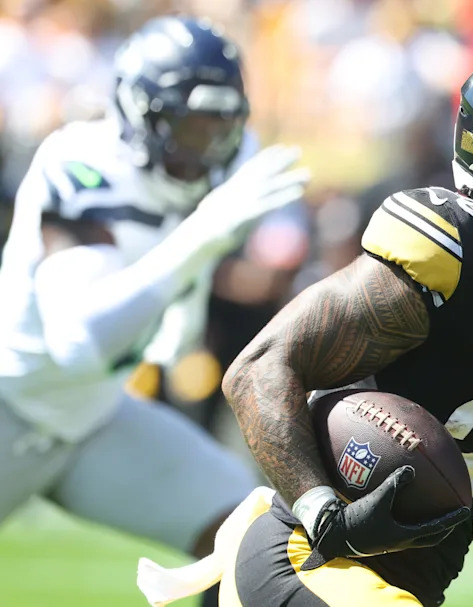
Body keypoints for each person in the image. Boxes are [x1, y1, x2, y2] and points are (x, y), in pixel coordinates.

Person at [140, 38, 473, 607]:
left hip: (406, 585)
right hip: (306, 555)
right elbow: (259, 368)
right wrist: (321, 510)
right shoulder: (454, 256)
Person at [0, 14, 308, 605]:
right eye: (189, 127)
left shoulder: (231, 158)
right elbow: (77, 345)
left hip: (93, 419)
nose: (207, 148)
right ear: (138, 114)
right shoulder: (80, 165)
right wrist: (203, 236)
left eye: (220, 127)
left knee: (247, 532)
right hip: (13, 406)